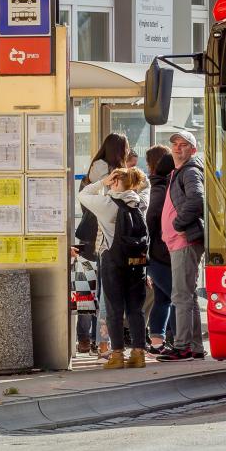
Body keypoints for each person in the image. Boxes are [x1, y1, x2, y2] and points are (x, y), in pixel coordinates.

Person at [78, 167, 150, 369]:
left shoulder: (107, 204)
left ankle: (117, 354)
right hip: (137, 263)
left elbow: (83, 194)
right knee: (136, 308)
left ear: (115, 181)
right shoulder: (140, 202)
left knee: (114, 309)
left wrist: (103, 183)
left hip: (113, 261)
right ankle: (138, 354)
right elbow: (147, 187)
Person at [77, 133, 130, 356]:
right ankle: (99, 342)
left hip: (97, 239)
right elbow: (102, 197)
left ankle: (95, 341)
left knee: (94, 292)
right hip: (99, 239)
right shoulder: (102, 168)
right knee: (95, 293)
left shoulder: (100, 166)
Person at [157, 130, 207, 362]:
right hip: (180, 241)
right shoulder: (179, 172)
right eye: (175, 144)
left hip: (184, 240)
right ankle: (195, 346)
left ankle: (183, 346)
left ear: (192, 150)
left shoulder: (189, 171)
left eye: (184, 144)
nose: (177, 147)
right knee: (188, 295)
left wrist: (177, 223)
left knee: (180, 295)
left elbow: (197, 199)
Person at [145, 146, 174, 354]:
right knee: (177, 296)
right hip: (160, 253)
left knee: (163, 298)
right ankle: (177, 341)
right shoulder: (160, 187)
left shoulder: (158, 185)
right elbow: (151, 218)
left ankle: (157, 342)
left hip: (158, 253)